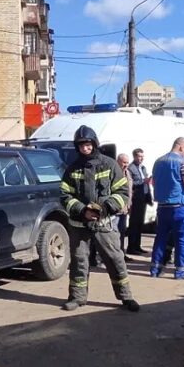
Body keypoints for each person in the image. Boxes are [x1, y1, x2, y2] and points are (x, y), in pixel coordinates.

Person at [59, 125, 139, 313]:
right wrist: (82, 210)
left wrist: (105, 208)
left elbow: (122, 192)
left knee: (115, 259)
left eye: (87, 144)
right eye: (81, 145)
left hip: (104, 224)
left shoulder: (110, 164)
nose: (85, 148)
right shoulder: (72, 169)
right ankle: (77, 298)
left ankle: (126, 297)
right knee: (79, 262)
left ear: (94, 144)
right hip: (79, 225)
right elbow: (64, 196)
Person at [150, 136, 184, 280]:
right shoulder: (182, 162)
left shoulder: (158, 161)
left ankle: (155, 270)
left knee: (161, 238)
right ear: (181, 147)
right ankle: (181, 272)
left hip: (163, 206)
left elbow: (154, 181)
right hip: (180, 206)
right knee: (183, 239)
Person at [126, 148, 152, 254]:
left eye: (142, 156)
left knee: (140, 224)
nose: (141, 158)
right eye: (139, 156)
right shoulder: (131, 168)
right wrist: (143, 181)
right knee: (134, 223)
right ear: (134, 156)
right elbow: (130, 183)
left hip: (143, 198)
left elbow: (146, 183)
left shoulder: (143, 168)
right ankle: (131, 247)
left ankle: (137, 245)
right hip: (136, 199)